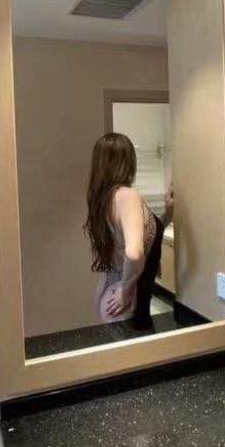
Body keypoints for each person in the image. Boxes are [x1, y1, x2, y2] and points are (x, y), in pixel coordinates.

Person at [84, 132, 174, 329]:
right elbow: (134, 253)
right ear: (129, 162)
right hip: (126, 300)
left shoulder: (103, 199)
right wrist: (125, 291)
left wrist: (169, 212)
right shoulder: (127, 196)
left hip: (110, 293)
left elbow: (145, 236)